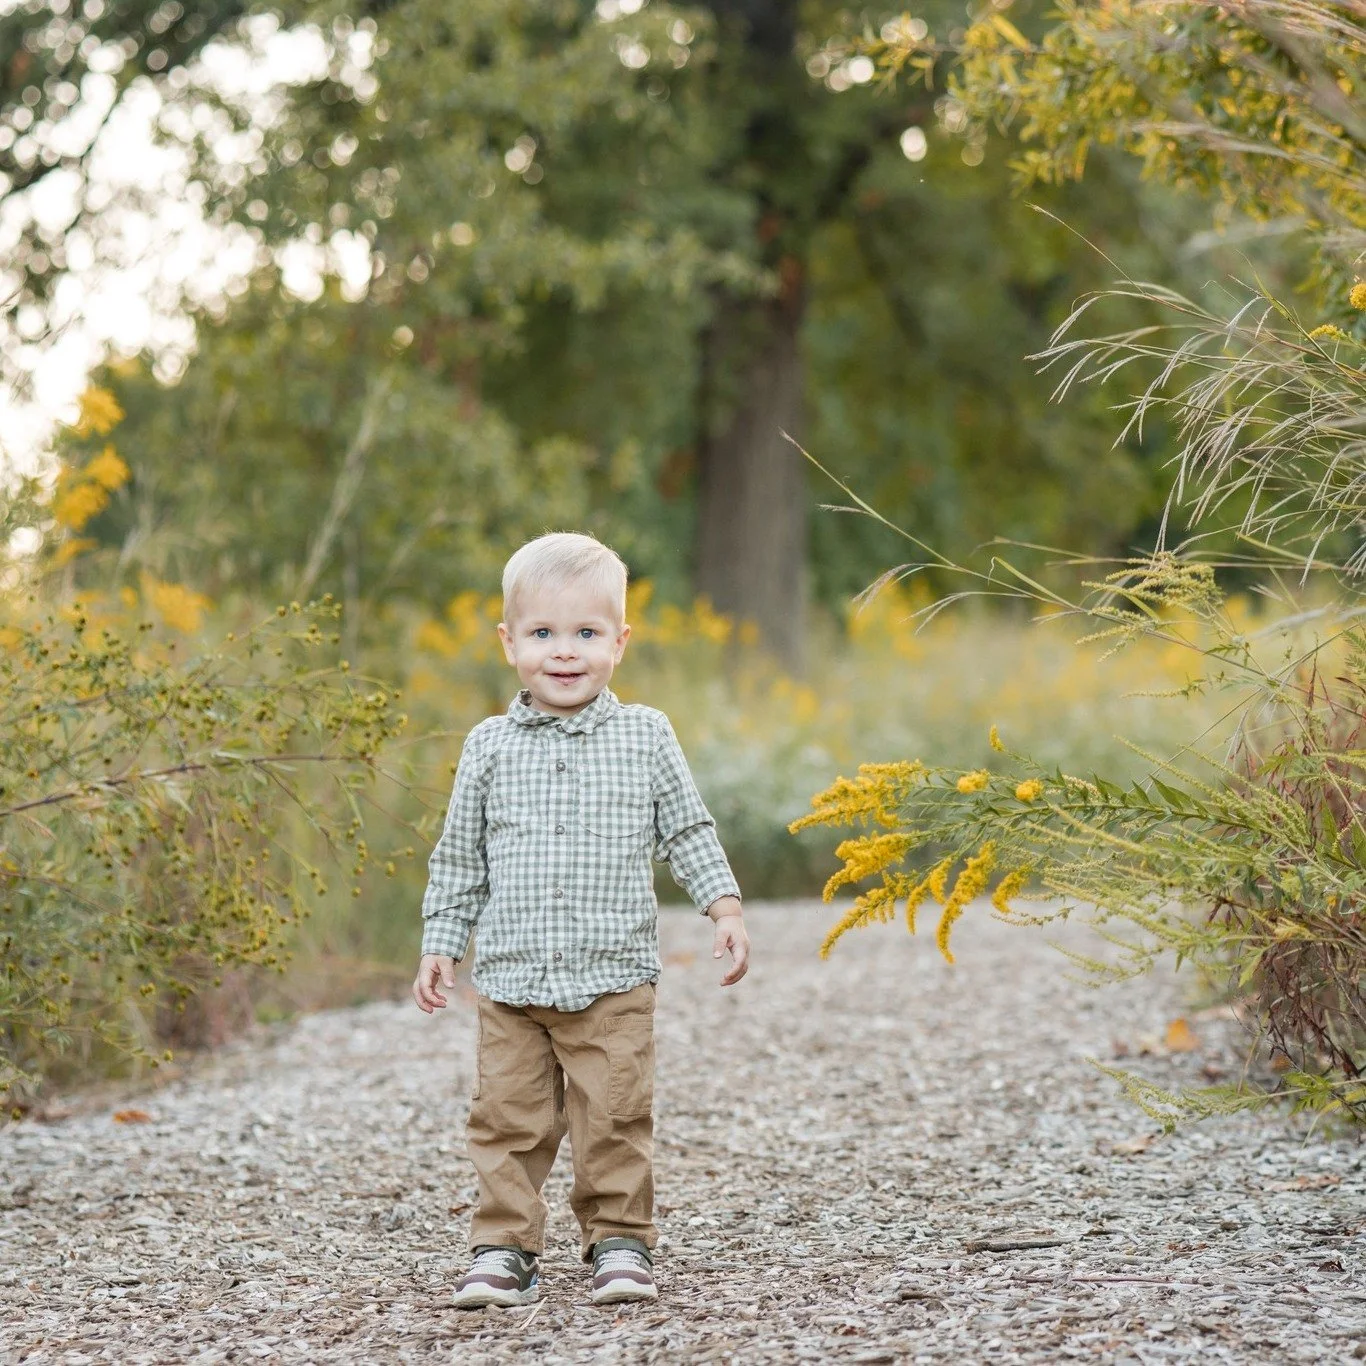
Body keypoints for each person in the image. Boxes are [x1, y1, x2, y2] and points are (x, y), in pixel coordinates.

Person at [411, 531, 750, 1308]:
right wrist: (441, 944)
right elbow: (460, 857)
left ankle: (620, 1240)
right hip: (512, 985)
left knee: (615, 1117)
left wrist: (723, 906)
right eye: (543, 633)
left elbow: (687, 831)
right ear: (509, 643)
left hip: (613, 979)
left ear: (620, 642)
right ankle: (503, 1248)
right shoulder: (488, 747)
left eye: (587, 633)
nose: (564, 652)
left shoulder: (645, 736)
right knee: (506, 1120)